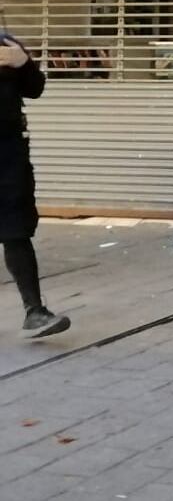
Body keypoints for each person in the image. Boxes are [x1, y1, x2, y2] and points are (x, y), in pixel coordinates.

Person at [0, 35, 69, 339]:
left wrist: (23, 63)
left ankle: (35, 312)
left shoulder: (6, 44)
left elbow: (35, 88)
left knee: (16, 230)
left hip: (9, 153)